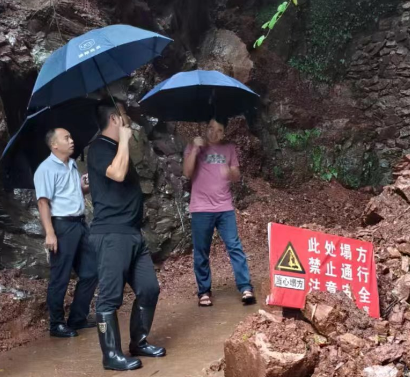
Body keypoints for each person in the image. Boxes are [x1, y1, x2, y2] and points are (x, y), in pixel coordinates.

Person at [87, 99, 165, 371]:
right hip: (111, 233)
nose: (128, 118)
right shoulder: (98, 148)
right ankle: (111, 355)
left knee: (149, 288)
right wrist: (124, 140)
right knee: (109, 297)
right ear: (114, 120)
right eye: (123, 114)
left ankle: (139, 342)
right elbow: (117, 174)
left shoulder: (113, 148)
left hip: (132, 233)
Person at [183, 117, 256, 307]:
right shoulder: (194, 145)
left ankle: (245, 287)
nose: (214, 132)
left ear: (224, 132)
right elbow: (187, 173)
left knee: (234, 246)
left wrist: (229, 172)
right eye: (210, 128)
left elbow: (236, 175)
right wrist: (196, 150)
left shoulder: (229, 148)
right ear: (206, 128)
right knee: (201, 251)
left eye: (219, 130)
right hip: (201, 208)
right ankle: (204, 292)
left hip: (224, 208)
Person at [33, 128, 98, 338]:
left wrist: (84, 186)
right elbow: (43, 202)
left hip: (79, 223)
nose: (72, 140)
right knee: (60, 277)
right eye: (66, 138)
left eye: (71, 136)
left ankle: (78, 318)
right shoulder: (45, 169)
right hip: (61, 226)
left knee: (91, 272)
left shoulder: (70, 164)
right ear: (54, 145)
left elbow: (72, 192)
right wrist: (50, 233)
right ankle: (57, 324)